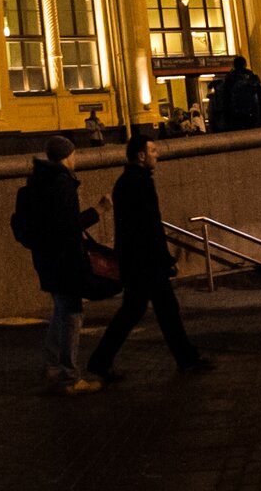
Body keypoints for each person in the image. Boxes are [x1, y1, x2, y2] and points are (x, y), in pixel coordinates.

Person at [87, 135, 210, 382]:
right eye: (152, 150)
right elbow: (148, 226)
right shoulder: (138, 183)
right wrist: (164, 259)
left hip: (138, 261)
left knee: (138, 311)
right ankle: (186, 358)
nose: (157, 154)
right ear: (140, 155)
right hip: (146, 263)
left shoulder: (129, 181)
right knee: (162, 310)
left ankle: (101, 360)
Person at [22, 135, 110, 394]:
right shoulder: (61, 184)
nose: (76, 157)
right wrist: (99, 211)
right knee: (72, 315)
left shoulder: (40, 182)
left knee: (61, 312)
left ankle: (51, 368)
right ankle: (70, 377)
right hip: (64, 260)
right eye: (74, 153)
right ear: (67, 156)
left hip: (46, 259)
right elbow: (67, 227)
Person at [216, 55, 261, 130]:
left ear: (234, 65)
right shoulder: (253, 78)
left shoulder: (229, 80)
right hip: (253, 114)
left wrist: (225, 117)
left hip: (235, 116)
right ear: (245, 64)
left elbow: (225, 99)